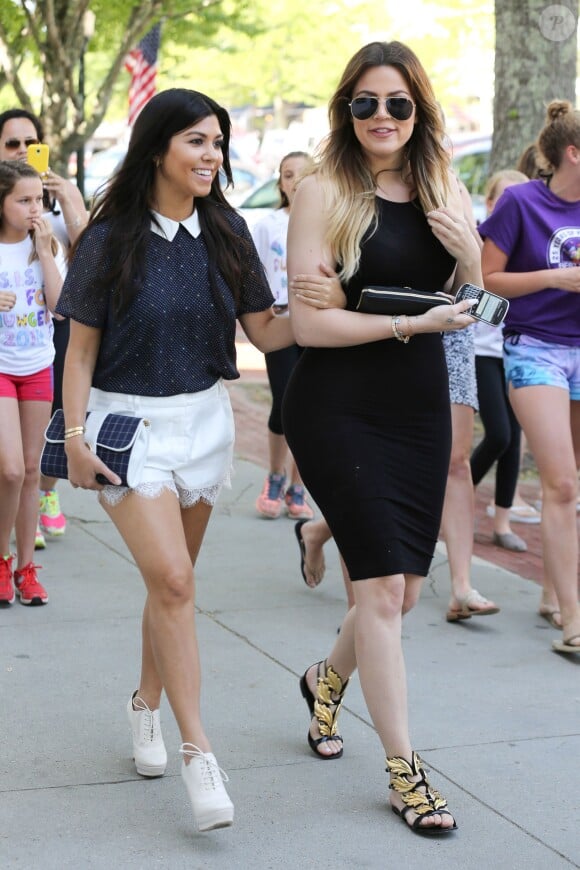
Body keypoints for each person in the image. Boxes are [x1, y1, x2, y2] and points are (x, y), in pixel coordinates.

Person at [55, 88, 293, 831]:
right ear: (158, 147)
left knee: (172, 592)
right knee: (177, 580)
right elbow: (82, 345)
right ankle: (200, 756)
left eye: (218, 142)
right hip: (127, 426)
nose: (212, 154)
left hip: (204, 421)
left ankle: (144, 705)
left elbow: (265, 328)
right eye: (197, 141)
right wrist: (72, 438)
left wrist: (338, 311)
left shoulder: (227, 228)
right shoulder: (110, 236)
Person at [282, 41, 480, 834]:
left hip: (418, 407)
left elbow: (472, 305)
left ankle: (323, 684)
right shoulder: (324, 191)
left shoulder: (443, 184)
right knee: (378, 594)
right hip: (336, 406)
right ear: (346, 109)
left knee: (399, 588)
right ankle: (407, 773)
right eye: (366, 103)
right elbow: (309, 324)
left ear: (419, 111)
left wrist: (467, 259)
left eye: (398, 104)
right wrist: (408, 320)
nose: (383, 118)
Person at [480, 100, 580, 654]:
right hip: (533, 348)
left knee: (569, 488)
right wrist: (554, 279)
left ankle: (550, 593)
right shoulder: (521, 201)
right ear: (572, 153)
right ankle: (572, 619)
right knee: (562, 483)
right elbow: (487, 279)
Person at [0, 109, 88, 547]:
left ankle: (37, 514)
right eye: (12, 144)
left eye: (29, 142)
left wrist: (64, 197)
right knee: (11, 463)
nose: (22, 150)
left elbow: (87, 258)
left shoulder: (47, 219)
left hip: (43, 344)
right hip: (4, 356)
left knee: (37, 454)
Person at [0, 161, 66, 606]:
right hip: (2, 367)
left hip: (38, 365)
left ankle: (25, 567)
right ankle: (1, 560)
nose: (33, 208)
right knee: (9, 469)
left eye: (37, 200)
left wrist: (45, 253)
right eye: (23, 200)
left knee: (30, 472)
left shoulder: (47, 246)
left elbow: (62, 308)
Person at [471, 170, 542, 551]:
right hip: (482, 351)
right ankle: (452, 498)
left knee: (514, 440)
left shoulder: (532, 245)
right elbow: (472, 294)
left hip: (517, 351)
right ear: (489, 203)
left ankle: (501, 522)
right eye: (504, 199)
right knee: (499, 433)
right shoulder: (480, 241)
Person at [252, 151, 315, 520]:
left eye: (303, 175)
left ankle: (298, 486)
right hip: (280, 325)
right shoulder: (268, 225)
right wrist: (266, 308)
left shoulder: (327, 222)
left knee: (310, 406)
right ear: (280, 182)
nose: (294, 181)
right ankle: (275, 475)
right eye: (288, 175)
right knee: (285, 402)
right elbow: (255, 275)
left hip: (316, 327)